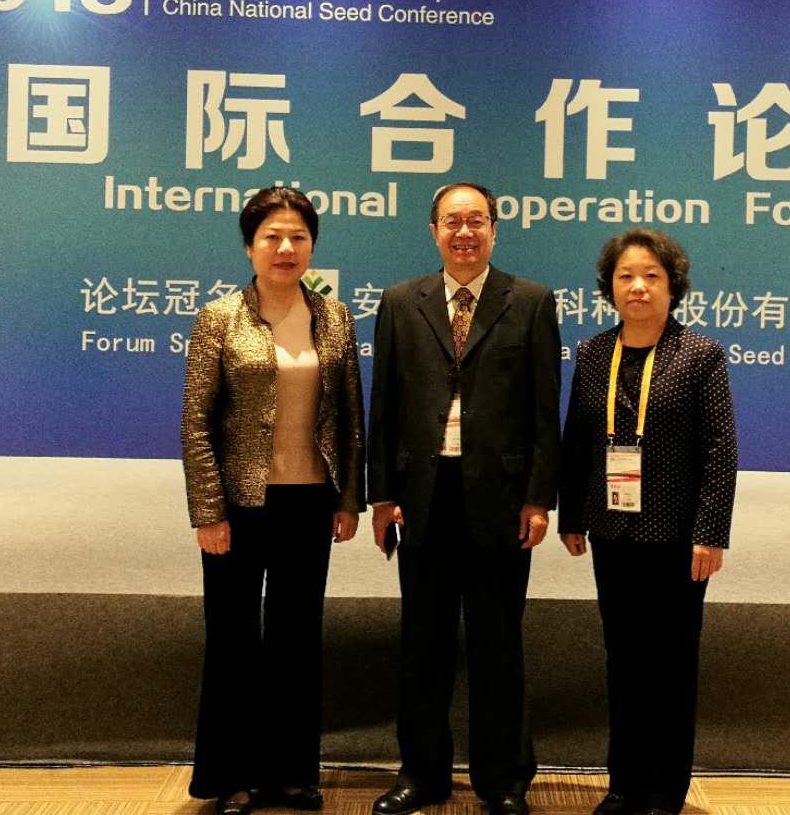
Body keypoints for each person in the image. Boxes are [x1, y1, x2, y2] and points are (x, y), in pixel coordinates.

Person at [367, 182, 561, 815]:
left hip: (500, 500)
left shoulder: (530, 302)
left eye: (476, 220)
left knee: (497, 644)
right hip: (422, 497)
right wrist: (381, 496)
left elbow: (544, 410)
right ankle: (421, 774)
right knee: (422, 644)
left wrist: (538, 498)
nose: (464, 232)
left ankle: (503, 780)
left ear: (495, 230)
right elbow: (384, 404)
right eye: (452, 222)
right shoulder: (401, 302)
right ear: (434, 232)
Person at [180, 186, 365, 815]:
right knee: (233, 640)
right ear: (250, 246)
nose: (286, 248)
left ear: (312, 246)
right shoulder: (219, 318)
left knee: (296, 638)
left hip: (309, 502)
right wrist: (208, 513)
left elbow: (349, 417)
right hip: (239, 505)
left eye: (299, 237)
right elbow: (196, 423)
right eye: (272, 237)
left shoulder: (334, 318)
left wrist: (349, 500)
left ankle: (291, 773)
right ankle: (230, 776)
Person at [558, 228, 737, 815]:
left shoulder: (700, 355)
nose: (638, 287)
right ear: (609, 287)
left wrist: (710, 533)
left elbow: (720, 451)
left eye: (651, 276)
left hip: (678, 539)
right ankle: (625, 785)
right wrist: (572, 515)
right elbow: (577, 440)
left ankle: (664, 791)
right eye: (626, 276)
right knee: (625, 660)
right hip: (612, 532)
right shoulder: (593, 354)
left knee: (671, 664)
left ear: (673, 286)